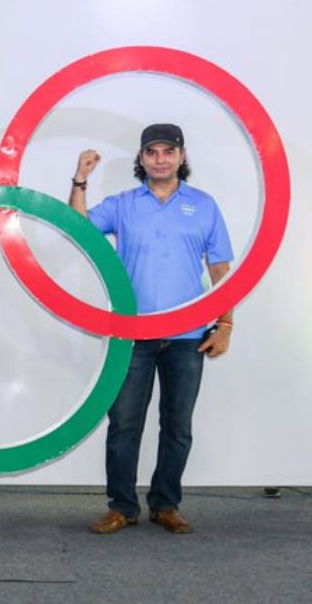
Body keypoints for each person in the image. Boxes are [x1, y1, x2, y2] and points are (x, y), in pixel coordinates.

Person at [68, 124, 234, 535]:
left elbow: (220, 269)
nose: (160, 159)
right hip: (132, 335)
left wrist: (226, 322)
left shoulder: (204, 205)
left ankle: (165, 505)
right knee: (124, 424)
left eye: (168, 152)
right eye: (152, 152)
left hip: (188, 336)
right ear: (141, 159)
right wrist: (80, 179)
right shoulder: (124, 204)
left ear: (181, 156)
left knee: (178, 427)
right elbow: (78, 227)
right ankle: (122, 507)